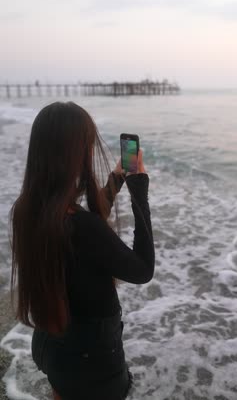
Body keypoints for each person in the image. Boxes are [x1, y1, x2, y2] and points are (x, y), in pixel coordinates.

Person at [10, 101, 154, 400]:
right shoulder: (81, 226)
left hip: (52, 344)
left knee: (64, 390)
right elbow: (142, 270)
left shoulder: (30, 208)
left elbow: (85, 228)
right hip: (92, 358)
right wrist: (139, 190)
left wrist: (116, 181)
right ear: (74, 154)